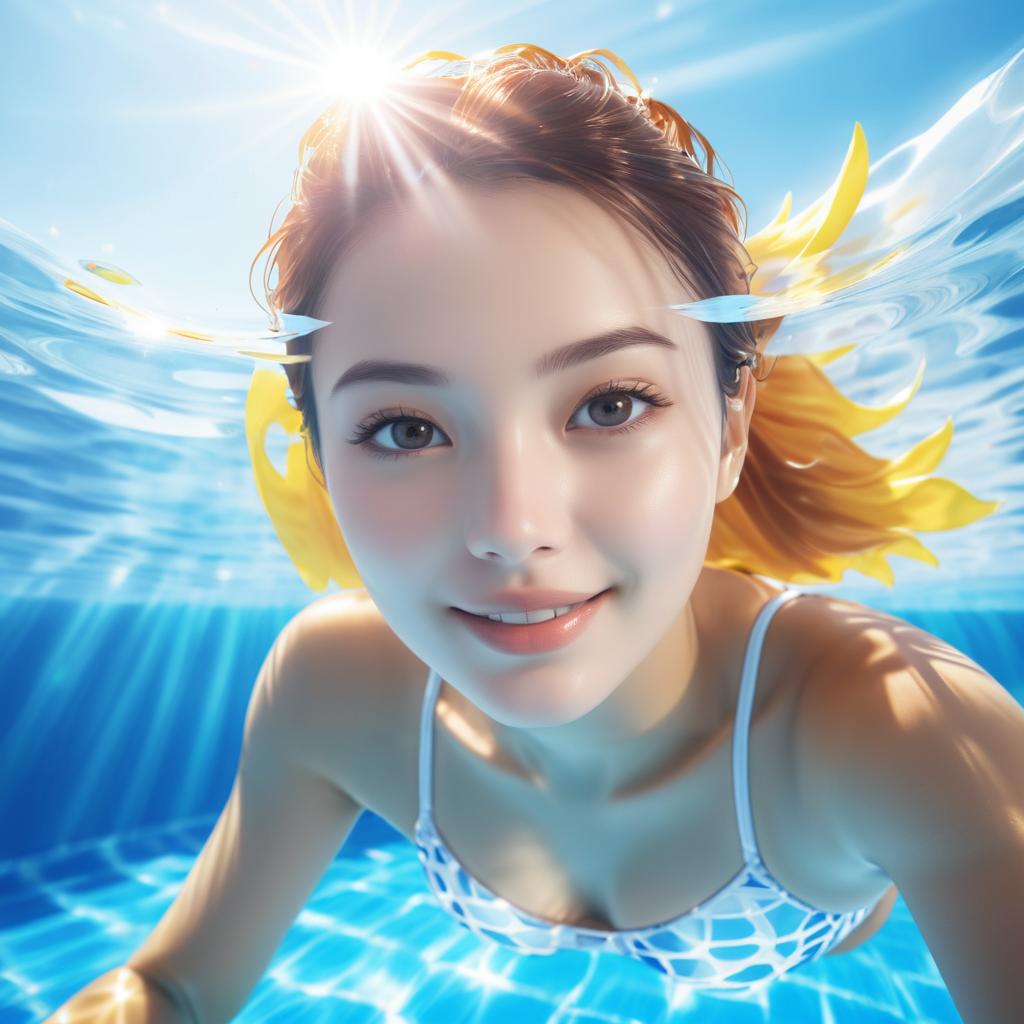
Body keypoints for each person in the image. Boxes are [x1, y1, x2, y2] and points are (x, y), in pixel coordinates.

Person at [50, 43, 1023, 1024]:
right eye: (406, 428)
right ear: (322, 464)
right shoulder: (331, 693)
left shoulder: (905, 736)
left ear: (729, 430)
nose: (511, 530)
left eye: (608, 404)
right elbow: (168, 984)